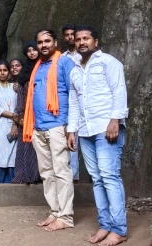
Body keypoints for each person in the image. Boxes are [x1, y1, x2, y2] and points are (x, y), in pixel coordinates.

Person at [67, 25, 128, 246]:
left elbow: (119, 91)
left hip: (106, 128)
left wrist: (115, 120)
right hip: (85, 131)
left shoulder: (109, 63)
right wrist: (72, 130)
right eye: (78, 39)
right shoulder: (74, 69)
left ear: (96, 42)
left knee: (110, 176)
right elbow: (74, 102)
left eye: (86, 38)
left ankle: (119, 229)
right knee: (97, 178)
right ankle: (105, 224)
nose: (82, 42)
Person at [23, 29, 75, 231]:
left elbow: (75, 95)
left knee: (62, 171)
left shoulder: (64, 63)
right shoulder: (37, 66)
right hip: (38, 128)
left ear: (55, 42)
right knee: (47, 173)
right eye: (40, 42)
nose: (43, 45)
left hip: (58, 126)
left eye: (47, 41)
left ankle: (66, 216)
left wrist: (71, 128)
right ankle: (55, 212)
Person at [12, 41, 40, 184]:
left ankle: (40, 176)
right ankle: (26, 176)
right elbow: (21, 94)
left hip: (42, 114)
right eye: (28, 50)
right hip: (27, 114)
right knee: (26, 146)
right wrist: (21, 115)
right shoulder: (24, 72)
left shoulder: (44, 68)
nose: (32, 53)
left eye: (34, 49)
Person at [0, 60, 18, 183]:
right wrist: (13, 116)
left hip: (13, 126)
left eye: (5, 70)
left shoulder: (14, 87)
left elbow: (18, 105)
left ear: (9, 72)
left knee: (13, 157)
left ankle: (12, 187)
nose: (2, 73)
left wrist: (15, 124)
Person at [61, 23, 82, 183]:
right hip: (68, 101)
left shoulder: (84, 56)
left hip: (84, 99)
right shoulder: (62, 58)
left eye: (72, 34)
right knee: (70, 136)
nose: (70, 37)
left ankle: (76, 176)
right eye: (67, 35)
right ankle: (71, 175)